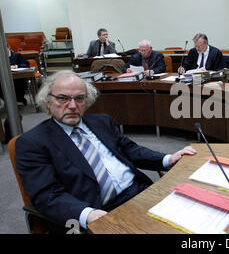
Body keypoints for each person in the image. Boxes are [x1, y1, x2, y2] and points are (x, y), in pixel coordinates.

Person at [15, 70, 196, 231]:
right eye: (63, 98)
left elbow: (130, 150)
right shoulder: (32, 143)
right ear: (48, 102)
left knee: (194, 217)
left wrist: (168, 158)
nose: (72, 105)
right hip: (99, 209)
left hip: (141, 192)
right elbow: (47, 196)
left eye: (79, 98)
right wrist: (89, 214)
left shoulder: (101, 121)